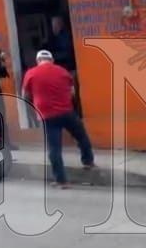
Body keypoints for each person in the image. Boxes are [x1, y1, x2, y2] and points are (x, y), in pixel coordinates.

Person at [22, 49, 95, 189]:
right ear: (52, 60)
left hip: (47, 115)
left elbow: (25, 96)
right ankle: (88, 161)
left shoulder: (30, 73)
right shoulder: (63, 71)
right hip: (67, 112)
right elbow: (72, 93)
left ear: (38, 61)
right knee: (81, 136)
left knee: (54, 148)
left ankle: (62, 181)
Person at [46, 16, 83, 117]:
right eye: (52, 25)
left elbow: (68, 53)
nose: (53, 28)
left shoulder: (66, 37)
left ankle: (76, 114)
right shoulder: (53, 38)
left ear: (61, 25)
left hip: (69, 69)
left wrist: (54, 57)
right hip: (60, 71)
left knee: (72, 94)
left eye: (55, 25)